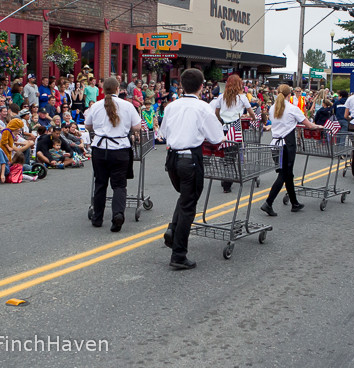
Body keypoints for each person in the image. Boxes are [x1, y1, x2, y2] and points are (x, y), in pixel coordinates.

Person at [157, 68, 224, 269]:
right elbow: (216, 137)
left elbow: (163, 133)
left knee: (185, 197)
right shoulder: (203, 108)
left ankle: (173, 229)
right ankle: (178, 254)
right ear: (202, 86)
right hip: (189, 158)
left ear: (181, 86)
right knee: (189, 203)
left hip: (172, 158)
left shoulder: (171, 106)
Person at [84, 77, 141, 232]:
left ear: (103, 90)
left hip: (100, 149)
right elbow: (137, 126)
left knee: (100, 183)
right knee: (119, 185)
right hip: (120, 149)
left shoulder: (96, 106)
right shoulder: (127, 106)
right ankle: (117, 214)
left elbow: (87, 126)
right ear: (118, 89)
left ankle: (97, 218)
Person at [259, 84, 322, 217]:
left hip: (275, 143)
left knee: (288, 174)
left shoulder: (272, 108)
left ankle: (294, 203)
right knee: (284, 174)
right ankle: (268, 202)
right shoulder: (293, 109)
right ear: (290, 95)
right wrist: (318, 126)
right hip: (287, 144)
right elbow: (308, 125)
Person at [213, 74, 257, 193]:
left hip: (224, 128)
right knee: (232, 155)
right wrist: (253, 118)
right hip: (235, 127)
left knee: (226, 154)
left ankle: (226, 178)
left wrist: (221, 120)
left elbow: (216, 112)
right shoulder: (242, 97)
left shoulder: (221, 97)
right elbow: (251, 111)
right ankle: (227, 182)